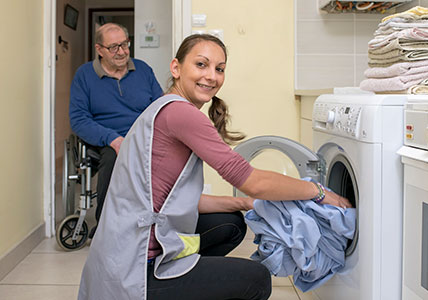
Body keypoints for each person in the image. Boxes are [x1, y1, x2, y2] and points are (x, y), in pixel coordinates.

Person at [78, 34, 352, 300]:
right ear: (176, 67)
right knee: (256, 279)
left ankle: (189, 284)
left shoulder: (162, 107)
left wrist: (244, 204)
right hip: (137, 268)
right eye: (201, 64)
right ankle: (169, 287)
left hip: (121, 251)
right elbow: (252, 180)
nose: (211, 76)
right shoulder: (181, 114)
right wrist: (317, 191)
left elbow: (176, 200)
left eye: (219, 69)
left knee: (230, 225)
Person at [69, 23, 164, 237]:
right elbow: (78, 119)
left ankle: (157, 225)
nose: (121, 52)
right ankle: (106, 229)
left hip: (143, 137)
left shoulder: (143, 70)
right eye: (113, 47)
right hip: (107, 141)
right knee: (114, 157)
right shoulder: (84, 75)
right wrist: (112, 138)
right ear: (99, 49)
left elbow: (159, 107)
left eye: (124, 44)